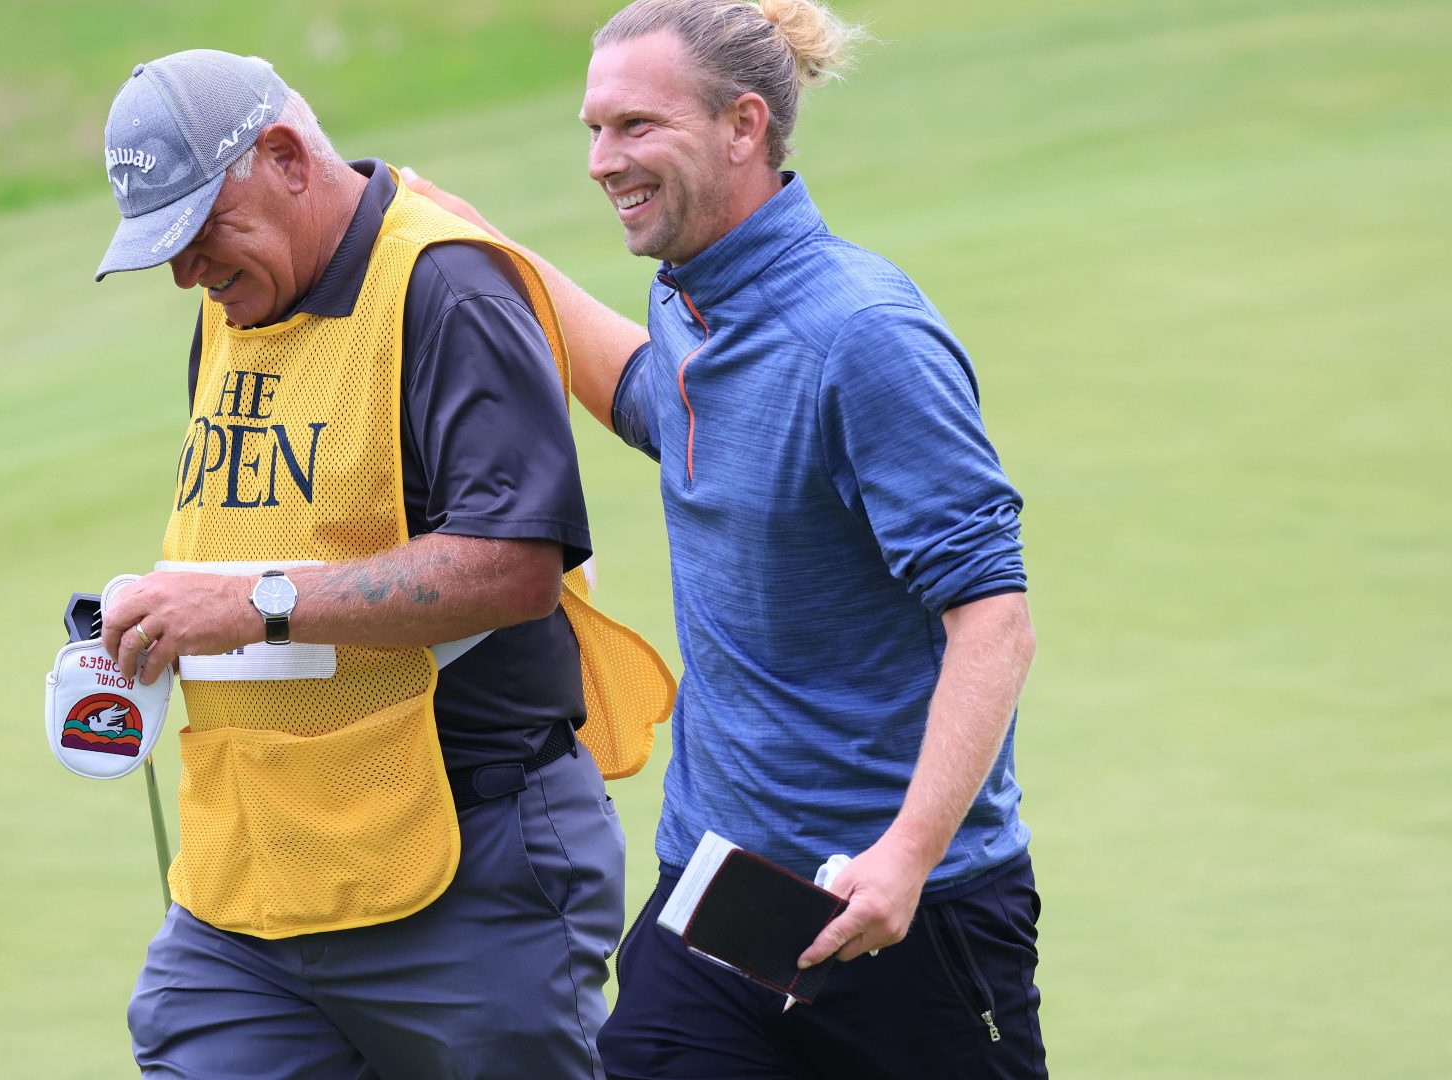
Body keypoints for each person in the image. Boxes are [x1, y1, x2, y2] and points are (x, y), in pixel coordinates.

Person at [408, 0, 1046, 1075]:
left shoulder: (864, 335)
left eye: (635, 128)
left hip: (901, 912)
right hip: (721, 893)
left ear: (744, 125)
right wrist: (486, 250)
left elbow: (995, 622)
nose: (603, 161)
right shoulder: (696, 303)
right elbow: (657, 400)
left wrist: (902, 859)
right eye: (593, 131)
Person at [86, 49, 670, 1080]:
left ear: (284, 158)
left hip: (466, 870)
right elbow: (263, 531)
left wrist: (248, 605)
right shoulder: (237, 303)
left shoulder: (446, 287)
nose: (187, 273)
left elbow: (511, 566)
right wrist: (161, 616)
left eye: (199, 231)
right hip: (255, 877)